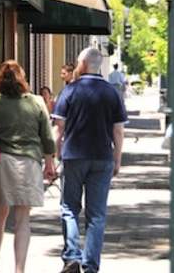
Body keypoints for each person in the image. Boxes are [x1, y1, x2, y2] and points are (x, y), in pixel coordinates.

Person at [52, 48, 126, 273]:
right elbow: (118, 131)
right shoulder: (112, 93)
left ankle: (72, 256)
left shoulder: (70, 91)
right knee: (96, 214)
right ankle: (91, 264)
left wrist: (56, 156)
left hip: (74, 156)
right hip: (102, 157)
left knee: (69, 208)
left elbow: (58, 128)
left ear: (82, 64)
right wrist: (117, 158)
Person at [0, 61, 57, 273]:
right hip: (29, 163)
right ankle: (19, 269)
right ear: (23, 79)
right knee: (23, 218)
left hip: (0, 163)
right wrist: (49, 161)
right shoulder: (37, 102)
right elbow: (47, 136)